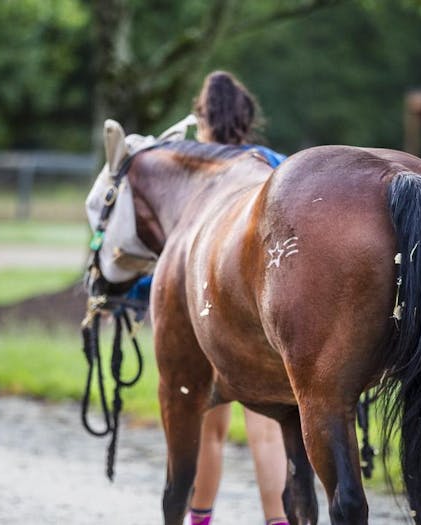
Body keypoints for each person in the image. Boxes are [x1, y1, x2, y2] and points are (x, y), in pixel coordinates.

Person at [185, 71, 288, 525]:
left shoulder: (195, 168)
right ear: (247, 117)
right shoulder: (273, 165)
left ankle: (200, 518)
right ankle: (278, 521)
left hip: (210, 309)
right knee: (266, 431)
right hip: (259, 310)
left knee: (211, 430)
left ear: (202, 117)